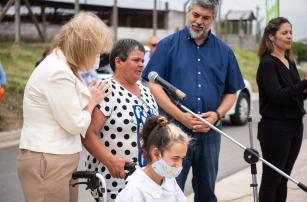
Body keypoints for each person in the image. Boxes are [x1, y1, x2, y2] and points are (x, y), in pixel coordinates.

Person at [142, 0, 245, 201]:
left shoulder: (225, 52)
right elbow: (154, 86)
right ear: (188, 12)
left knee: (206, 191)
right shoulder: (167, 45)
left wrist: (216, 115)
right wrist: (180, 117)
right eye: (195, 15)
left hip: (210, 133)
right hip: (172, 133)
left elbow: (231, 92)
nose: (199, 21)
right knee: (169, 189)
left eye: (205, 18)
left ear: (213, 19)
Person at [17, 12, 113, 202]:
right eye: (96, 51)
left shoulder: (66, 67)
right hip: (48, 159)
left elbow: (69, 106)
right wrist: (93, 100)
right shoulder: (57, 72)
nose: (98, 57)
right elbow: (76, 123)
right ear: (83, 47)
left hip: (58, 158)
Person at [82, 39, 159, 202]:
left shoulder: (147, 92)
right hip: (115, 179)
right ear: (118, 61)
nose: (141, 65)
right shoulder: (106, 89)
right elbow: (88, 133)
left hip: (146, 179)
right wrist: (110, 161)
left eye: (143, 61)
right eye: (136, 60)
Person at [256, 17, 307, 202]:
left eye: (291, 32)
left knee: (284, 179)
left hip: (295, 127)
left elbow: (298, 96)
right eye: (284, 33)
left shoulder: (289, 61)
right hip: (275, 130)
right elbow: (278, 96)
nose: (289, 36)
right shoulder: (267, 63)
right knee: (271, 181)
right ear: (271, 37)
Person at [115, 115, 190, 202]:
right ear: (156, 153)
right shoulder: (135, 191)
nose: (180, 165)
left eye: (182, 158)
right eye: (175, 158)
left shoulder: (169, 180)